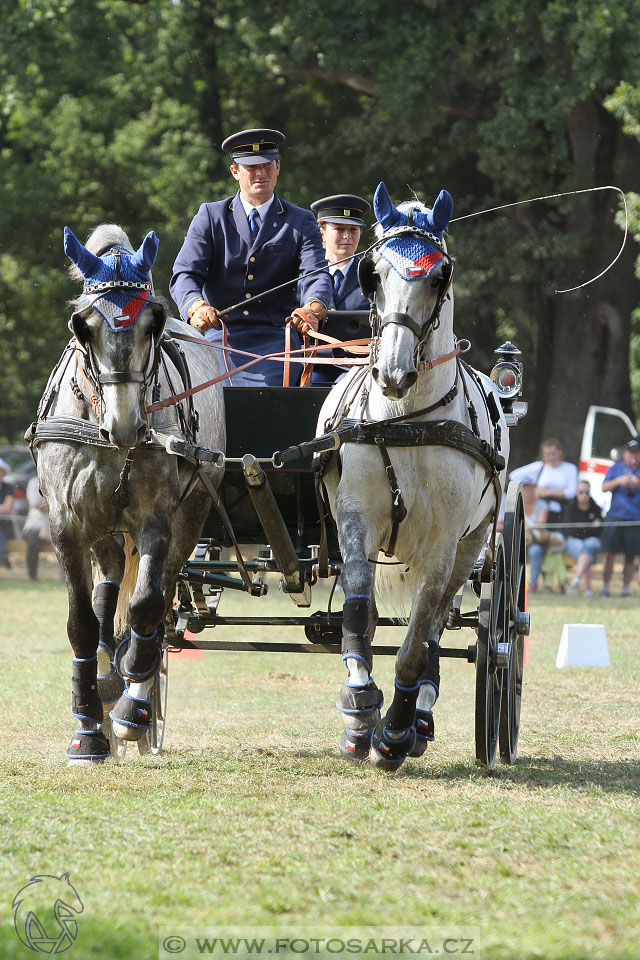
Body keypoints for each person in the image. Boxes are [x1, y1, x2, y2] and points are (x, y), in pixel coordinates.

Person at [169, 128, 331, 387]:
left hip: (278, 339)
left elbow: (315, 274)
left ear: (278, 167)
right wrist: (195, 306)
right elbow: (185, 274)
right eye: (251, 167)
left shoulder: (301, 221)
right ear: (235, 172)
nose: (260, 174)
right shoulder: (210, 216)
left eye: (267, 165)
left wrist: (313, 307)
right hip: (218, 336)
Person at [308, 194, 370, 386]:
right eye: (340, 229)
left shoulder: (372, 276)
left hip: (358, 368)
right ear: (322, 233)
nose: (347, 236)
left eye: (353, 230)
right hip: (312, 365)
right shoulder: (306, 275)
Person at [599, 438, 640, 597]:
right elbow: (604, 487)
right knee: (609, 553)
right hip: (615, 517)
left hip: (635, 519)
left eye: (637, 453)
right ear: (625, 454)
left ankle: (625, 589)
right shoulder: (616, 468)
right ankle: (606, 587)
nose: (633, 456)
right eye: (631, 453)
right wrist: (618, 481)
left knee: (631, 556)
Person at [510, 438, 578, 523]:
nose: (551, 457)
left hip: (562, 512)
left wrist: (548, 492)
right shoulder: (539, 467)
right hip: (540, 510)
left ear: (560, 452)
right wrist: (531, 487)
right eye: (548, 454)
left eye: (554, 453)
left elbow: (571, 493)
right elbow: (514, 475)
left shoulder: (570, 468)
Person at [521, 474, 564, 593]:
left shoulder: (541, 504)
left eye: (530, 488)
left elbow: (541, 523)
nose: (527, 491)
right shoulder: (516, 503)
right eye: (525, 488)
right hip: (519, 539)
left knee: (536, 551)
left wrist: (528, 530)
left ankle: (533, 585)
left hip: (534, 541)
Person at [562, 480, 602, 597]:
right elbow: (571, 531)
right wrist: (589, 528)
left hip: (592, 540)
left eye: (587, 492)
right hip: (574, 541)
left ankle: (576, 581)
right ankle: (587, 590)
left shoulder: (596, 508)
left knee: (587, 546)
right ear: (576, 493)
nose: (584, 495)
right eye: (581, 492)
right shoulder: (569, 508)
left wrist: (582, 529)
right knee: (586, 551)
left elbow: (599, 530)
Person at [23, 475, 51, 581]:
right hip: (35, 524)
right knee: (33, 544)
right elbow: (37, 505)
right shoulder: (34, 482)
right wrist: (57, 505)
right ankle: (32, 576)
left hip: (57, 524)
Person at [0, 458, 14, 569]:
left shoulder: (8, 487)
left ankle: (3, 557)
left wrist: (4, 508)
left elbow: (8, 509)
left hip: (5, 525)